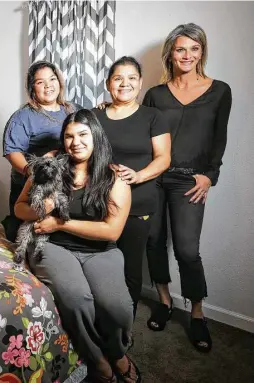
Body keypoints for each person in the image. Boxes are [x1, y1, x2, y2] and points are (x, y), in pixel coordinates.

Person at [15, 109, 140, 383]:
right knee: (77, 299)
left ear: (96, 136)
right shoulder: (50, 167)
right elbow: (19, 208)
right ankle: (97, 359)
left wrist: (59, 223)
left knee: (117, 306)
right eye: (69, 136)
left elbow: (112, 230)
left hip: (99, 249)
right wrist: (41, 212)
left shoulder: (114, 177)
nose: (76, 142)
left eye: (83, 134)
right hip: (53, 246)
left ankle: (118, 352)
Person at [143, 23, 232, 353]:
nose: (187, 55)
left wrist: (210, 175)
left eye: (194, 49)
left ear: (202, 52)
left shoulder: (219, 90)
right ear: (171, 52)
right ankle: (164, 301)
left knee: (186, 250)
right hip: (153, 176)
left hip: (189, 180)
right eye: (181, 48)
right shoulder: (155, 94)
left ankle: (197, 313)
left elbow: (219, 138)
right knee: (153, 240)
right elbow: (144, 134)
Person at [93, 57, 171, 319]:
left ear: (140, 84)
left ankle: (124, 323)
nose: (124, 83)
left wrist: (138, 176)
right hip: (97, 203)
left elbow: (163, 158)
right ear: (107, 84)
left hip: (138, 203)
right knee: (96, 263)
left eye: (131, 78)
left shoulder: (153, 116)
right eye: (117, 78)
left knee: (129, 268)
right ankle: (97, 318)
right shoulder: (94, 116)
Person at [2, 60, 80, 242]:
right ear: (32, 88)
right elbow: (12, 152)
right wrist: (32, 173)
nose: (48, 85)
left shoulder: (72, 109)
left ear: (59, 82)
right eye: (40, 82)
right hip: (31, 185)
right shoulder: (23, 116)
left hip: (62, 182)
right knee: (27, 233)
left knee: (56, 232)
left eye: (52, 79)